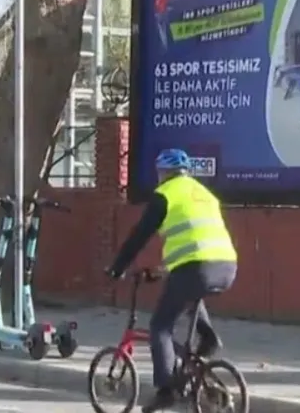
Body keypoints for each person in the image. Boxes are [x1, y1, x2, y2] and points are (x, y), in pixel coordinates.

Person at [106, 148, 238, 412]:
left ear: (163, 172)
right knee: (188, 292)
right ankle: (208, 338)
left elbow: (140, 235)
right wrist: (163, 269)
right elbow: (196, 238)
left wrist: (117, 267)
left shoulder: (165, 195)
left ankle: (165, 389)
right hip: (227, 266)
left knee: (160, 326)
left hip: (196, 267)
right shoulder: (205, 194)